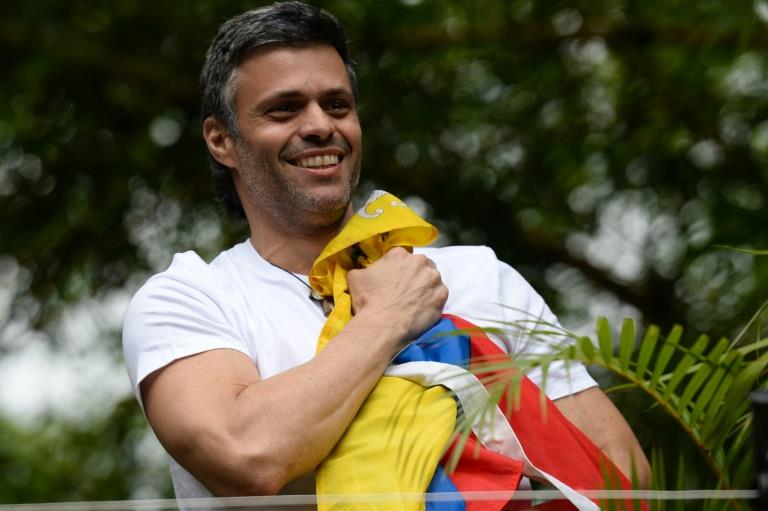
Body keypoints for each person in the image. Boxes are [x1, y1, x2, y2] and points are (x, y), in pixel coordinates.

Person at [122, 0, 650, 503]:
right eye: (284, 109)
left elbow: (623, 472)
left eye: (337, 105)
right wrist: (392, 317)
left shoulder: (478, 276)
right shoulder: (189, 299)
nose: (319, 125)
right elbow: (246, 458)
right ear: (222, 140)